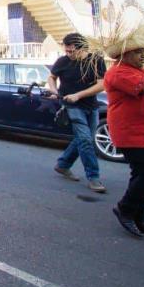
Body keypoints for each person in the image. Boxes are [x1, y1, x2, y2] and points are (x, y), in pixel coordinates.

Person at [103, 25, 144, 237]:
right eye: (138, 52)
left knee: (141, 174)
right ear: (125, 54)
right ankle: (125, 208)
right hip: (132, 134)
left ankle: (139, 217)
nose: (143, 56)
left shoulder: (143, 72)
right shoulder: (117, 73)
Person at [47, 33, 107, 193]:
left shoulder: (95, 61)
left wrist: (78, 95)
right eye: (66, 51)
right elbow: (51, 77)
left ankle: (63, 164)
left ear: (82, 48)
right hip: (71, 107)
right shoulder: (62, 61)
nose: (68, 54)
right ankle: (93, 177)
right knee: (86, 140)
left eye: (71, 51)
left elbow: (102, 85)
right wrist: (53, 90)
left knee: (83, 138)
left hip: (91, 105)